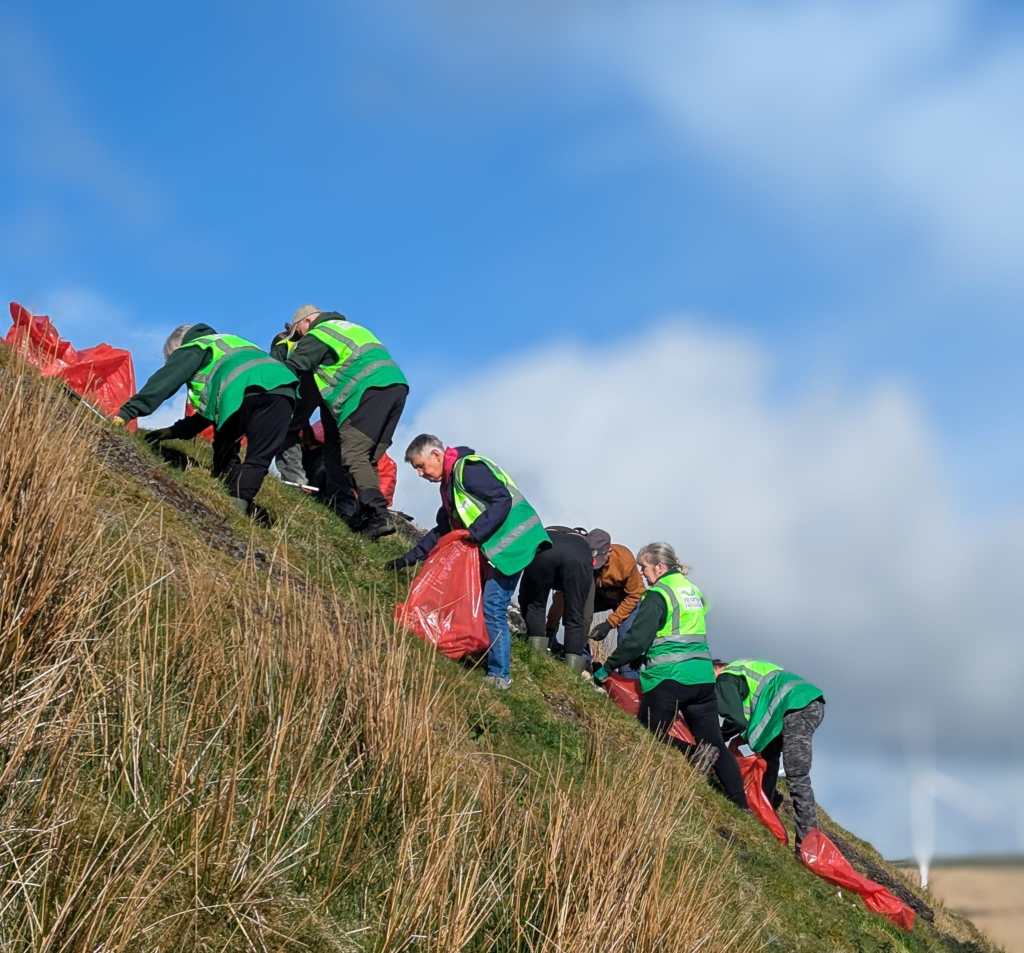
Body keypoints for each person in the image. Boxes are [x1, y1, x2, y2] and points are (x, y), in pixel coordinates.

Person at [386, 435, 551, 690]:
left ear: (436, 455)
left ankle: (500, 676)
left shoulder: (469, 470)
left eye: (420, 466)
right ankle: (482, 652)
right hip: (499, 547)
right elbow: (444, 529)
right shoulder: (450, 485)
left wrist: (476, 532)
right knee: (487, 603)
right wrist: (409, 558)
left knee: (493, 605)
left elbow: (502, 500)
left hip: (514, 544)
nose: (419, 474)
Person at [592, 542, 747, 809]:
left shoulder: (658, 595)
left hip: (669, 678)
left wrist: (607, 667)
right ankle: (740, 804)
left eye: (645, 567)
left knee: (650, 733)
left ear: (660, 567)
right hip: (702, 679)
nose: (642, 574)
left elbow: (637, 641)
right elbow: (696, 614)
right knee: (714, 743)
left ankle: (649, 785)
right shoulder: (692, 590)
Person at [112, 324, 298, 517]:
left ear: (177, 349)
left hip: (240, 387)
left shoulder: (196, 346)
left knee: (224, 444)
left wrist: (127, 412)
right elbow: (207, 415)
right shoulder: (233, 343)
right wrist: (173, 431)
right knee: (259, 458)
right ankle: (238, 501)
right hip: (284, 389)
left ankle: (228, 501)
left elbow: (165, 381)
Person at [283, 305, 408, 540]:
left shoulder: (319, 333)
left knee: (353, 455)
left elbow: (294, 367)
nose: (300, 338)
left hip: (367, 391)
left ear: (307, 322)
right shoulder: (352, 329)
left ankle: (379, 514)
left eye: (298, 333)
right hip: (395, 388)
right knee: (365, 458)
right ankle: (366, 519)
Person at [714, 658, 825, 851]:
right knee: (769, 758)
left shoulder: (725, 677)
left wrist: (716, 737)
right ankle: (765, 809)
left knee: (797, 776)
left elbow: (736, 721)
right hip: (804, 704)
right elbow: (755, 715)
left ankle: (808, 848)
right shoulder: (748, 669)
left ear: (716, 668)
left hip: (796, 707)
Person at [545, 528, 645, 677]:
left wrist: (609, 623)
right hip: (598, 596)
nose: (594, 564)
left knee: (627, 635)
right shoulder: (579, 558)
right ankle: (582, 659)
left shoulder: (625, 560)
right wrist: (550, 629)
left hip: (625, 600)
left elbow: (635, 594)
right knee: (577, 614)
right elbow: (563, 597)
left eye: (598, 560)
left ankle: (629, 679)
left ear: (609, 551)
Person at [519, 527, 594, 673]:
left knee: (535, 605)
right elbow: (583, 614)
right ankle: (571, 673)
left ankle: (535, 657)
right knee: (575, 615)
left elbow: (524, 596)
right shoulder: (582, 545)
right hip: (579, 555)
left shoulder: (549, 533)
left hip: (546, 547)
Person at [269, 320, 319, 488]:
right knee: (291, 430)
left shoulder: (282, 345)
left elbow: (275, 372)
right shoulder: (307, 345)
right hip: (314, 392)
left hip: (293, 392)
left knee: (284, 432)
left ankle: (295, 480)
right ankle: (300, 480)